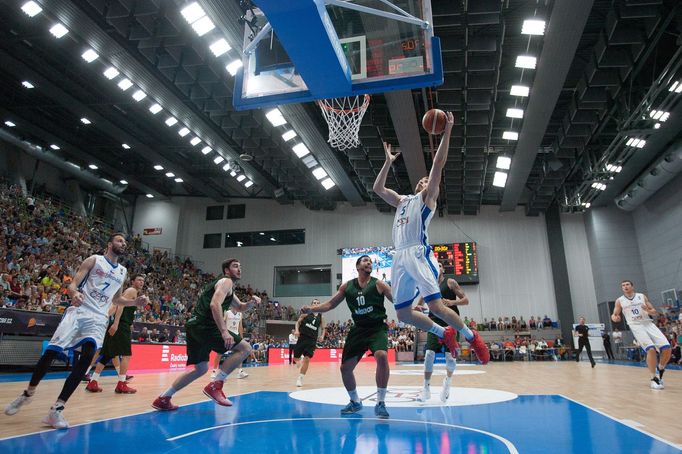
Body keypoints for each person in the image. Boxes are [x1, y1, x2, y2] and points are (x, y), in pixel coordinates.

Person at [372, 112, 489, 365]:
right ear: (416, 185)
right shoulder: (403, 200)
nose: (425, 181)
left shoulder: (427, 199)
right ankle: (442, 332)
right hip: (399, 255)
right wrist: (388, 162)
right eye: (422, 180)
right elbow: (378, 189)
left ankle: (471, 337)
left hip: (417, 252)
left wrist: (447, 131)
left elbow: (438, 165)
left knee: (436, 306)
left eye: (429, 181)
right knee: (403, 313)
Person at [4, 233, 148, 429]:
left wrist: (134, 302)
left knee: (88, 356)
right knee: (51, 352)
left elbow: (116, 299)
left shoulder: (122, 271)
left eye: (124, 241)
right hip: (80, 311)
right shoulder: (94, 260)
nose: (123, 243)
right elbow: (73, 283)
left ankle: (57, 409)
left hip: (98, 318)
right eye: (119, 240)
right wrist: (74, 293)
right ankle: (28, 393)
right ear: (109, 244)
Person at [151, 259, 261, 411]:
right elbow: (214, 304)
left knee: (201, 369)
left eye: (240, 266)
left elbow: (240, 307)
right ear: (227, 271)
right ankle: (215, 385)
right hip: (206, 325)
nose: (239, 269)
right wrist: (224, 331)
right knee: (245, 348)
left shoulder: (224, 286)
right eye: (235, 266)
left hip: (194, 326)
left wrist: (251, 303)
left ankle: (164, 398)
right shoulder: (226, 282)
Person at [301, 255, 393, 418]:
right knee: (345, 368)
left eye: (371, 262)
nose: (369, 263)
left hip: (377, 328)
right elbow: (330, 304)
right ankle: (355, 402)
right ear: (357, 266)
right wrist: (311, 309)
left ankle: (380, 402)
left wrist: (414, 308)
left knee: (382, 355)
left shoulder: (379, 284)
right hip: (358, 330)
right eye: (365, 261)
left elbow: (397, 300)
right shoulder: (347, 287)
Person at [414, 262, 468, 402]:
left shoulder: (450, 282)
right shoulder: (428, 285)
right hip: (434, 323)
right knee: (429, 354)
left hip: (451, 322)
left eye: (439, 265)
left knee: (450, 358)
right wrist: (419, 308)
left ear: (443, 269)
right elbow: (419, 305)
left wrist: (452, 302)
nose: (436, 266)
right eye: (433, 264)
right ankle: (426, 388)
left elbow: (465, 300)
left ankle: (447, 384)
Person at [86, 273, 146, 393]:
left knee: (107, 354)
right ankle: (121, 384)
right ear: (133, 281)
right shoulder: (132, 290)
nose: (141, 282)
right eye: (139, 280)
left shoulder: (131, 292)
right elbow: (120, 306)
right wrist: (116, 323)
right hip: (120, 325)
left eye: (143, 281)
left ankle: (93, 382)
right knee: (126, 355)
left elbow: (118, 306)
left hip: (121, 324)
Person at [611, 280, 671, 389]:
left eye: (627, 284)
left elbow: (654, 312)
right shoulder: (620, 301)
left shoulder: (641, 296)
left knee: (667, 349)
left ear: (632, 286)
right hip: (635, 325)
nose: (625, 287)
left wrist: (647, 310)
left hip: (648, 323)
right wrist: (615, 318)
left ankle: (660, 368)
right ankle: (653, 379)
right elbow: (614, 314)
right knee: (651, 349)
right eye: (623, 285)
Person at [293, 299, 326, 387]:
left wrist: (322, 336)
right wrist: (296, 330)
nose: (316, 304)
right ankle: (298, 361)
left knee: (307, 359)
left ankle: (300, 378)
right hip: (302, 338)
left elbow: (323, 328)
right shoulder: (306, 313)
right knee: (296, 358)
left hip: (312, 340)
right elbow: (297, 322)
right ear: (311, 305)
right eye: (314, 303)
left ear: (320, 305)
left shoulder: (321, 317)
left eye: (317, 303)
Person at [211, 306, 249, 380]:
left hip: (236, 335)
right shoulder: (227, 313)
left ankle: (240, 372)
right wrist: (223, 333)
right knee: (220, 353)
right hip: (228, 335)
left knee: (240, 352)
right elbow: (222, 322)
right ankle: (214, 371)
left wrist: (241, 337)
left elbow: (240, 326)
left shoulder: (240, 314)